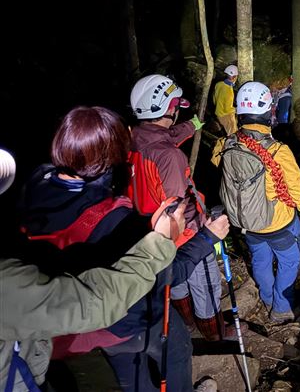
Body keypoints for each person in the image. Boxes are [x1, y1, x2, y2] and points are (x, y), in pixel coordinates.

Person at [17, 107, 228, 392]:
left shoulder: (32, 190)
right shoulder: (113, 219)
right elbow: (165, 276)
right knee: (176, 350)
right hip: (129, 318)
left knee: (130, 376)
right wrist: (206, 237)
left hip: (72, 325)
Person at [128, 74, 235, 341]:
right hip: (183, 231)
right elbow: (177, 205)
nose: (177, 110)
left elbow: (166, 136)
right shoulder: (169, 156)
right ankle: (214, 332)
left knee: (175, 281)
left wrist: (194, 124)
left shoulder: (135, 137)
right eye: (175, 105)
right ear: (168, 109)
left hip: (150, 228)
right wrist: (205, 232)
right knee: (204, 282)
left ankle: (185, 321)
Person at [212, 82, 300, 324]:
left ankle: (268, 298)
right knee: (289, 260)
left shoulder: (225, 144)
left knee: (260, 258)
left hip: (245, 221)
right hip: (276, 222)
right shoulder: (278, 151)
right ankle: (281, 307)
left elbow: (218, 164)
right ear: (269, 111)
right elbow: (297, 187)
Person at [213, 64, 239, 136]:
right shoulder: (229, 91)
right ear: (234, 77)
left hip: (217, 112)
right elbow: (227, 109)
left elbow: (214, 99)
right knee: (233, 134)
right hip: (225, 116)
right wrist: (236, 109)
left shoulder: (218, 84)